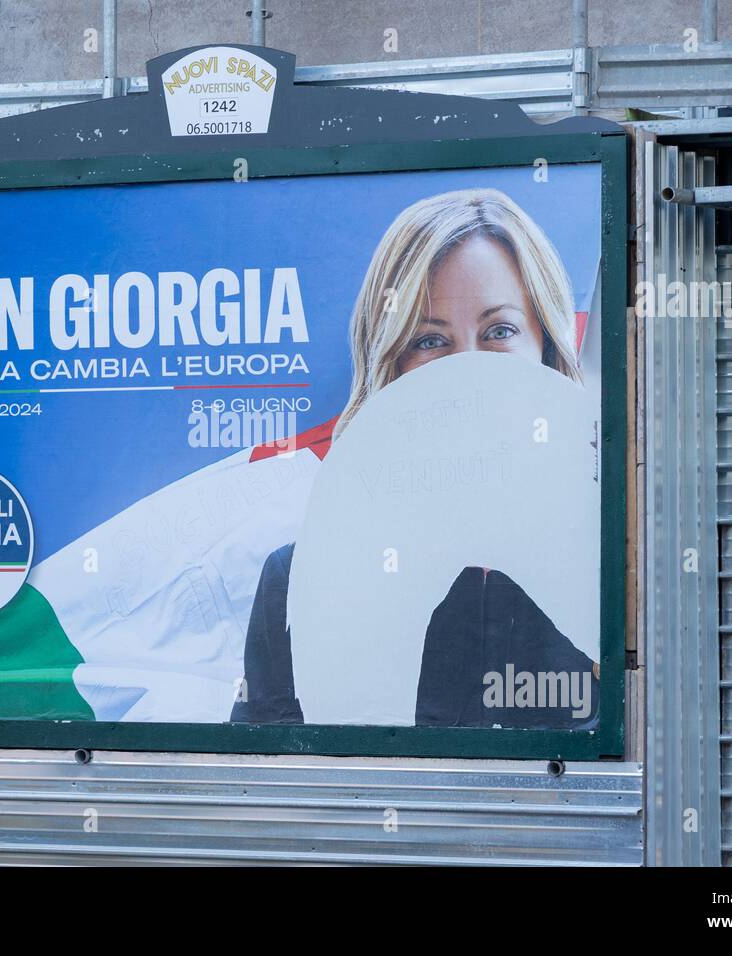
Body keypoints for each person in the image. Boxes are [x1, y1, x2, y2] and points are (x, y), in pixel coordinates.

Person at [231, 188, 599, 729]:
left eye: (499, 331)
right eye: (430, 340)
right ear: (390, 364)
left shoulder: (620, 566)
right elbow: (267, 793)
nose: (466, 369)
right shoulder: (299, 579)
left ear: (545, 346)